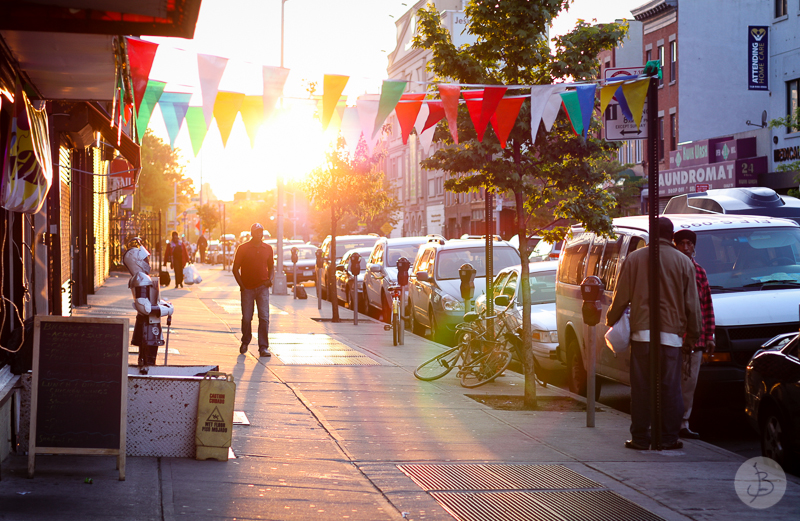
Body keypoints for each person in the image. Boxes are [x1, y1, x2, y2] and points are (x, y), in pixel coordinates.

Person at [606, 217, 701, 451]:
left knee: (641, 388)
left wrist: (610, 319)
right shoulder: (684, 262)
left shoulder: (635, 258)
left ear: (650, 233)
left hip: (642, 336)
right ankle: (668, 437)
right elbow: (693, 305)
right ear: (672, 236)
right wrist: (692, 336)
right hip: (672, 337)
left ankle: (640, 437)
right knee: (671, 389)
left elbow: (621, 297)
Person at [673, 229, 715, 440]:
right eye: (682, 243)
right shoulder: (670, 270)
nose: (686, 247)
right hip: (672, 337)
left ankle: (683, 423)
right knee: (669, 381)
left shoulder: (700, 272)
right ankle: (667, 421)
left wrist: (709, 336)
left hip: (695, 339)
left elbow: (706, 305)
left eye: (689, 243)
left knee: (688, 384)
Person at [232, 223, 274, 357]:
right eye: (256, 232)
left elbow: (271, 267)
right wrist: (242, 286)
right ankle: (245, 341)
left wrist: (270, 279)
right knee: (246, 317)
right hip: (247, 288)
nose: (259, 234)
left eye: (261, 231)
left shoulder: (267, 248)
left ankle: (263, 347)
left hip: (263, 287)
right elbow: (235, 269)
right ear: (251, 233)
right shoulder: (243, 248)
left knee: (264, 317)